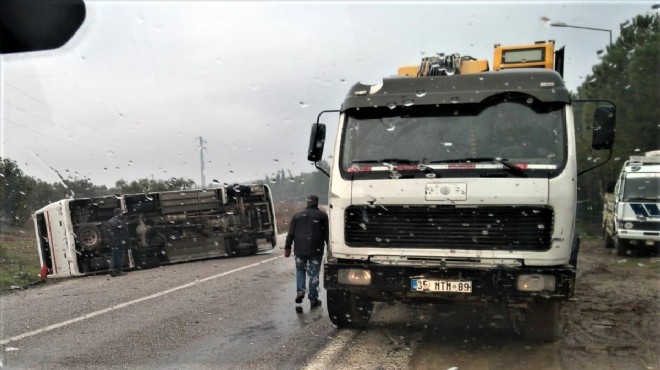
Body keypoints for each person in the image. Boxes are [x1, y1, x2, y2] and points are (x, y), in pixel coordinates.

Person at [284, 195, 329, 309]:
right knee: (313, 274)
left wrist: (287, 247)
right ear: (317, 203)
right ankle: (313, 298)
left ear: (307, 203)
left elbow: (291, 233)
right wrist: (330, 249)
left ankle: (300, 291)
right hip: (316, 249)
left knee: (300, 270)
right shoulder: (322, 216)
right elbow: (327, 234)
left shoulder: (297, 216)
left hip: (300, 249)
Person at [104, 208, 129, 277]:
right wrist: (123, 240)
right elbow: (123, 231)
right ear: (118, 213)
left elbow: (109, 233)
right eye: (121, 213)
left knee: (114, 256)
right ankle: (119, 270)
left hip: (112, 242)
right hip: (119, 241)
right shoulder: (119, 221)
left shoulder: (110, 221)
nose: (122, 214)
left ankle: (111, 269)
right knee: (119, 256)